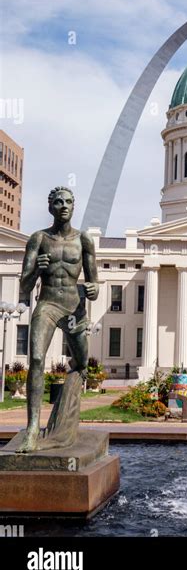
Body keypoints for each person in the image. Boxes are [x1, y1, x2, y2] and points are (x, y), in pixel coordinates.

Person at [16, 186, 99, 453]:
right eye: (59, 202)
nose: (64, 205)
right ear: (51, 207)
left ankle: (65, 412)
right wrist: (36, 271)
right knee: (37, 359)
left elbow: (93, 283)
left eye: (69, 202)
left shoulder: (84, 241)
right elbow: (25, 287)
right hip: (48, 304)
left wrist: (93, 289)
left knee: (82, 363)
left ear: (74, 207)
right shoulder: (38, 239)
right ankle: (32, 428)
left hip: (74, 309)